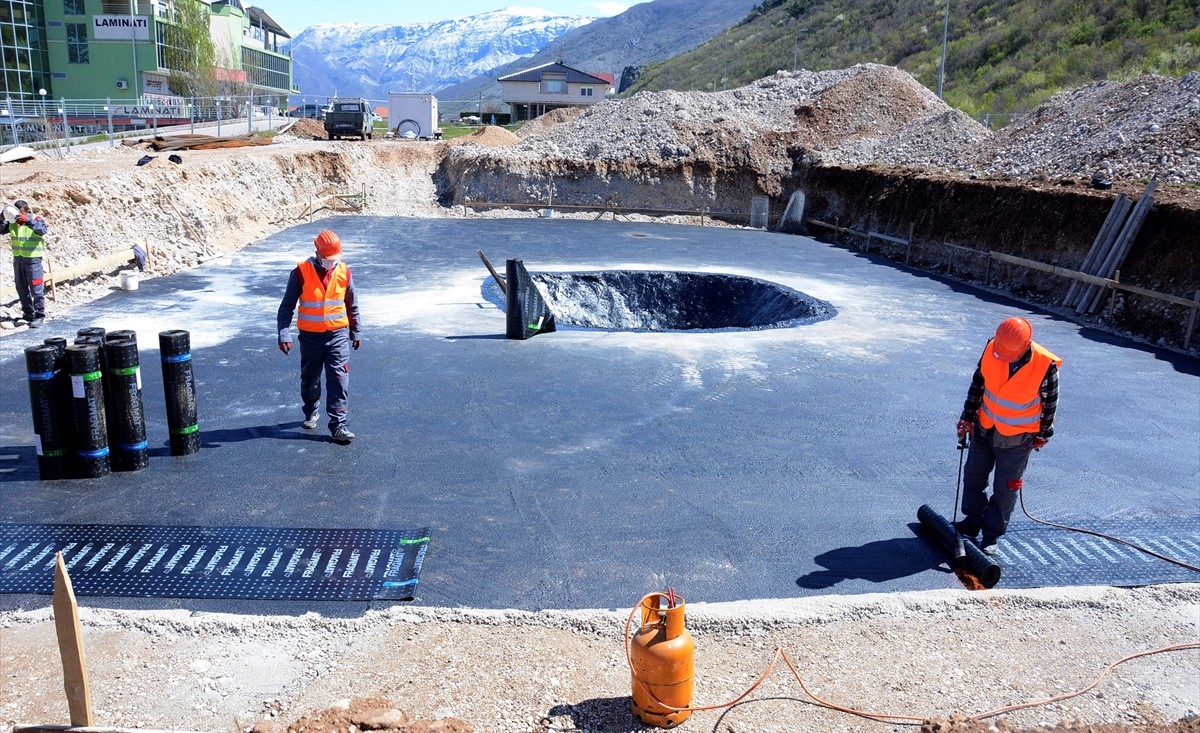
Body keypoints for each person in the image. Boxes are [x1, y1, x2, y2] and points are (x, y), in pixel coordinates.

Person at [955, 316, 1061, 555]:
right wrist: (967, 417)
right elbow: (978, 384)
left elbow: (1051, 403)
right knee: (973, 476)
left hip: (1017, 439)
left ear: (1025, 346)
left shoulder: (1045, 365)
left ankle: (992, 534)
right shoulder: (993, 348)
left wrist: (1044, 434)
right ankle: (972, 522)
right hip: (984, 427)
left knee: (1005, 488)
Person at [277, 230, 361, 444]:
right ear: (317, 253)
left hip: (337, 336)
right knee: (310, 380)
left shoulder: (344, 272)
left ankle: (338, 424)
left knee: (339, 378)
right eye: (328, 259)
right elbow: (286, 307)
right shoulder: (300, 273)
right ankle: (311, 409)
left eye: (335, 259)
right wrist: (284, 333)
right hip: (310, 338)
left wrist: (356, 330)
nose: (332, 263)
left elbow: (352, 304)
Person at [2, 200, 49, 328]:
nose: (17, 217)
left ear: (26, 211)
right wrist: (2, 218)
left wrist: (28, 221)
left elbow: (42, 230)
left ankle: (40, 315)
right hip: (18, 260)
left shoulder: (36, 219)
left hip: (33, 260)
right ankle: (28, 314)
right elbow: (1, 229)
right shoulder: (12, 223)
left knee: (36, 288)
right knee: (21, 287)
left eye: (19, 214)